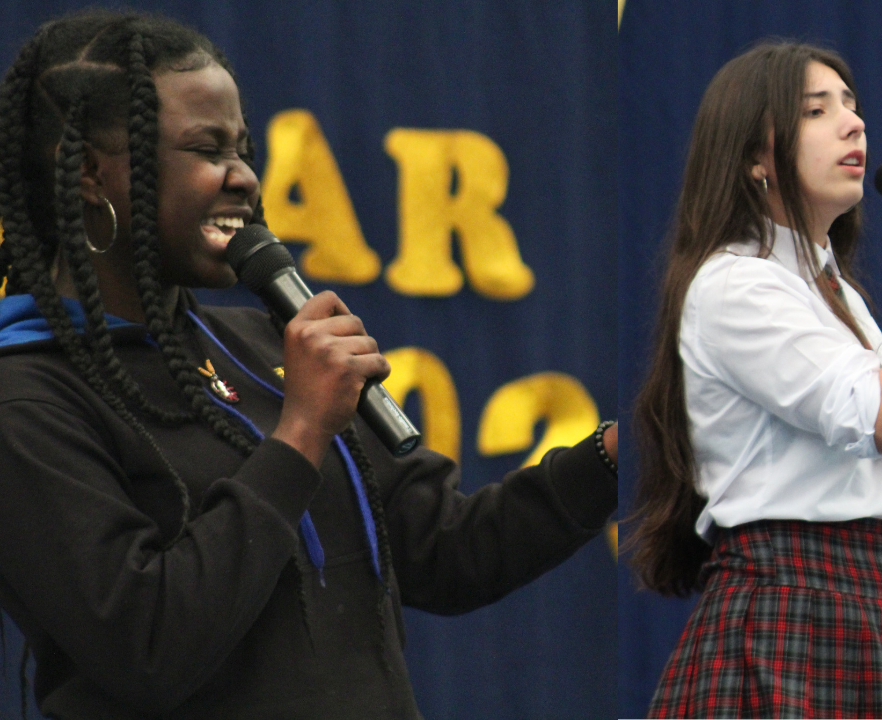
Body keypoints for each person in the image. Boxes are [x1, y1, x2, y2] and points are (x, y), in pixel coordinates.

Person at [0, 9, 617, 719]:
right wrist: (297, 437)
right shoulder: (28, 400)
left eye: (243, 150)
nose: (243, 179)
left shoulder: (264, 346)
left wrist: (609, 461)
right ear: (87, 172)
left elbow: (449, 552)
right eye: (208, 150)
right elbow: (146, 646)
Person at [629, 40, 882, 718]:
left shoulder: (830, 289)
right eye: (818, 111)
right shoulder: (736, 285)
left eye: (853, 106)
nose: (854, 124)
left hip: (865, 596)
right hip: (793, 600)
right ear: (757, 157)